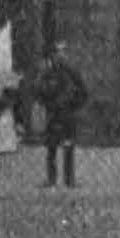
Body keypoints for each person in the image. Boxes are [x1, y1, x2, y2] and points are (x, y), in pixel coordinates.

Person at [34, 42, 88, 188]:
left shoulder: (72, 72)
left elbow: (84, 93)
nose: (61, 55)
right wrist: (47, 101)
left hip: (67, 115)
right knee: (51, 147)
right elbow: (38, 92)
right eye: (58, 52)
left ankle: (69, 180)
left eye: (63, 51)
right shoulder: (47, 72)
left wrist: (72, 105)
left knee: (68, 146)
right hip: (53, 115)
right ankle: (51, 179)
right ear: (53, 55)